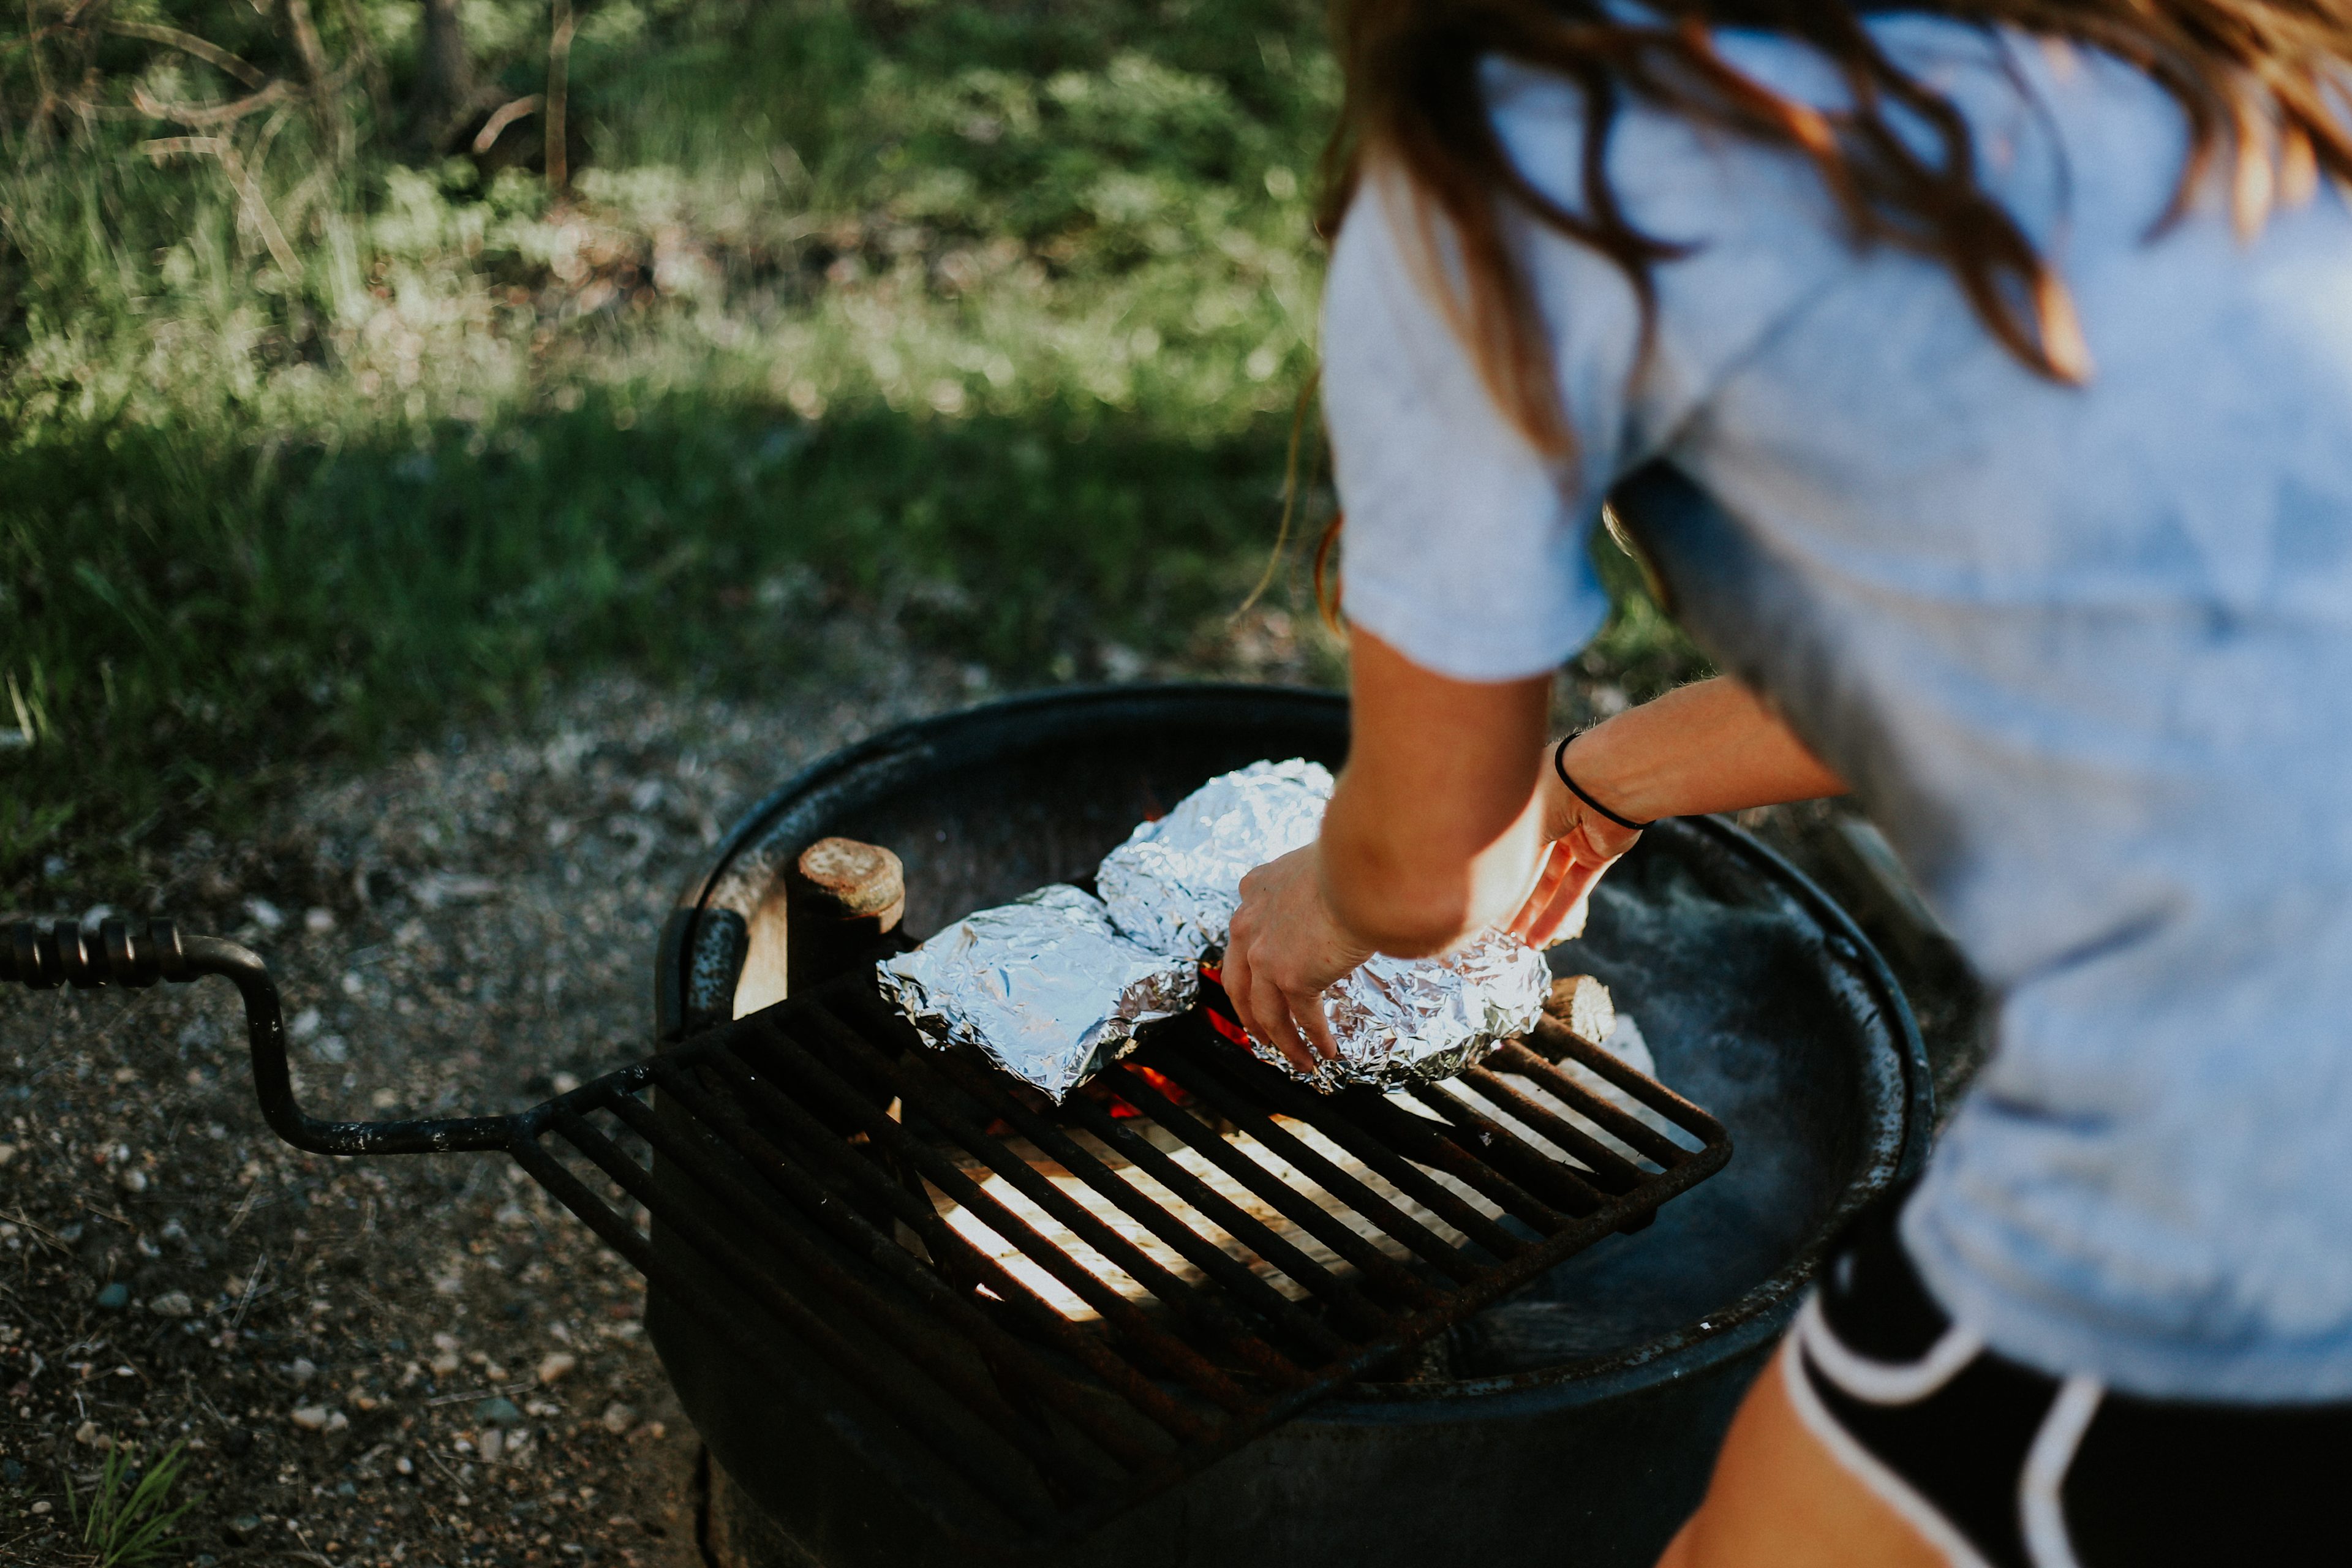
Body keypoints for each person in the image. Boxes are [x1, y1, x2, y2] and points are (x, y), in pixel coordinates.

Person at [1216, 2, 2352, 1562]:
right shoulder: (2178, 47)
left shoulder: (1513, 172)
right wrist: (1592, 782)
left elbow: (1427, 881)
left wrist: (1326, 889)